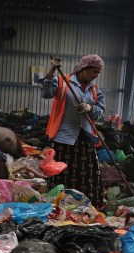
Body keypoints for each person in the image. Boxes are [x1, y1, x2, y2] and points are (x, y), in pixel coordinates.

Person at [39, 54, 105, 208]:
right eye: (94, 72)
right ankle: (58, 206)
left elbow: (101, 111)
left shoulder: (94, 89)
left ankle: (87, 205)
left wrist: (90, 108)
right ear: (84, 69)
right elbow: (46, 93)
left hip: (86, 136)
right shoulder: (63, 81)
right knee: (61, 173)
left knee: (89, 174)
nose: (96, 76)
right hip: (64, 137)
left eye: (98, 73)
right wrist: (51, 72)